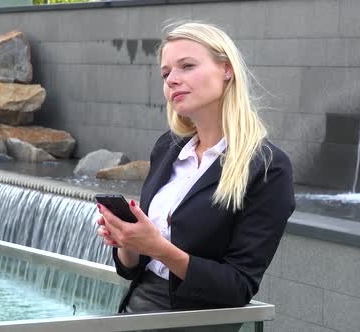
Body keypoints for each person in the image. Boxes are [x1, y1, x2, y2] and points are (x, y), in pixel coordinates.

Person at [96, 21, 295, 317]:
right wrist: (127, 242)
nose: (172, 80)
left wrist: (159, 247)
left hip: (196, 322)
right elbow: (132, 270)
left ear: (226, 69)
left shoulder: (267, 167)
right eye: (166, 73)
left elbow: (238, 287)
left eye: (186, 66)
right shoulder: (168, 148)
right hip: (133, 314)